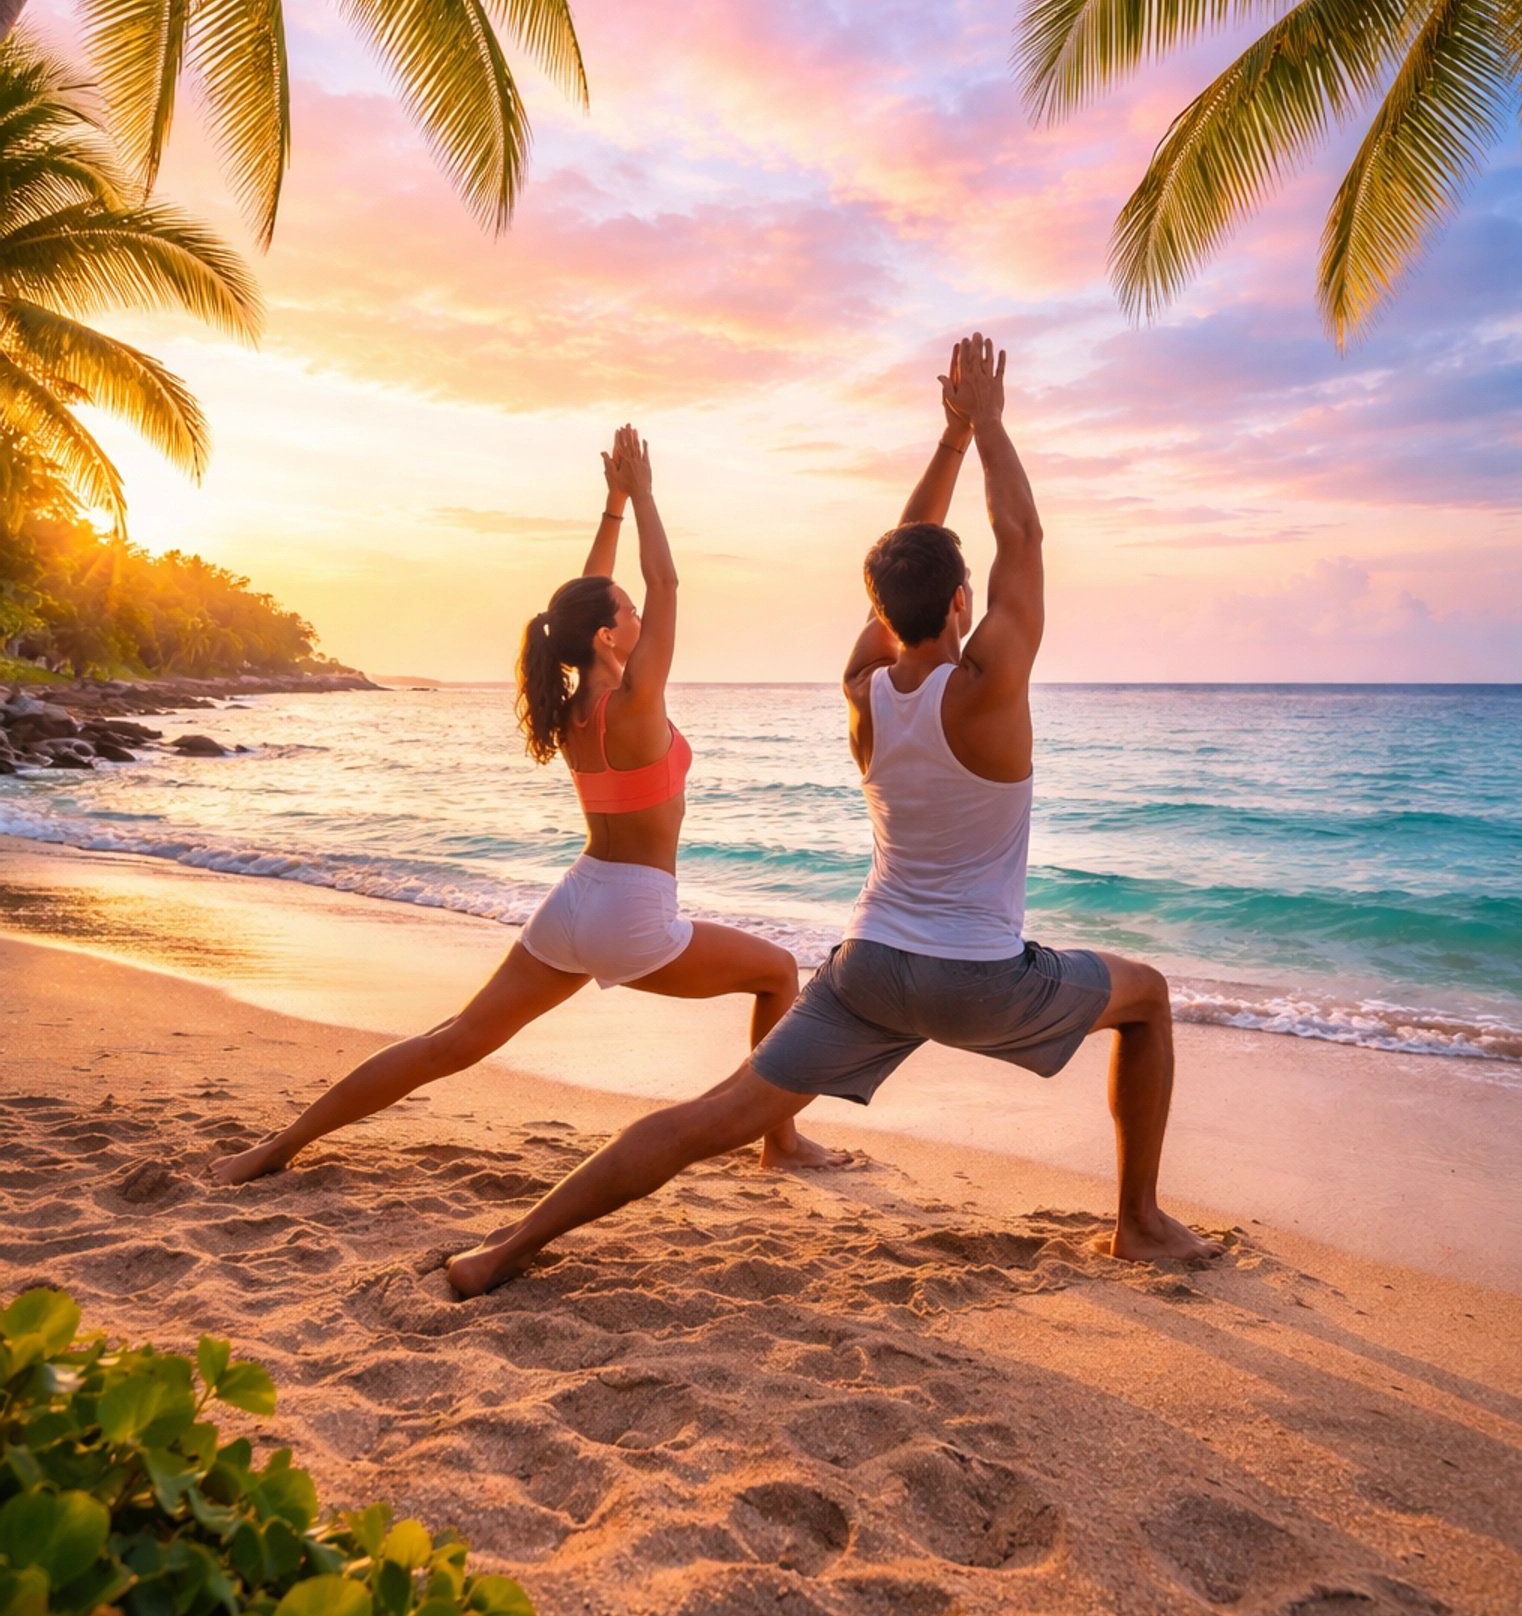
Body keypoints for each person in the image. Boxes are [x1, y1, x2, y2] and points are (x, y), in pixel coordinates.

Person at [446, 334, 1218, 1296]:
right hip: (977, 979)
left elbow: (910, 574)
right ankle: (1138, 1223)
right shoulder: (989, 686)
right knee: (1146, 1000)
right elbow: (1025, 540)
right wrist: (990, 426)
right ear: (963, 601)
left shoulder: (864, 688)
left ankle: (500, 1252)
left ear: (885, 611)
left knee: (707, 1119)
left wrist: (951, 440)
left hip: (867, 971)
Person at [212, 425, 843, 1185]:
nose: (646, 616)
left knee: (450, 1041)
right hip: (632, 916)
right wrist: (644, 494)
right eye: (630, 613)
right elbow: (668, 587)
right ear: (611, 638)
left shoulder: (576, 706)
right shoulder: (636, 706)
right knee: (779, 973)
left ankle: (273, 1149)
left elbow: (578, 606)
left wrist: (611, 507)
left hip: (575, 903)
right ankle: (780, 1141)